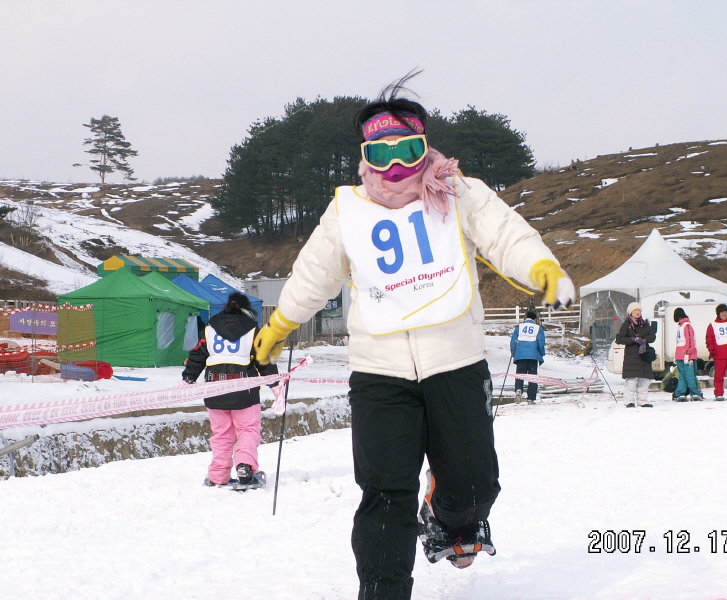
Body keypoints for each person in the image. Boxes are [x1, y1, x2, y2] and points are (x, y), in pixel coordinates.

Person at [252, 75, 575, 600]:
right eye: (382, 151)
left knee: (474, 489)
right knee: (384, 496)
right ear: (365, 156)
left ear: (425, 145)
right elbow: (313, 273)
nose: (397, 163)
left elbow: (505, 232)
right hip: (380, 374)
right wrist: (280, 324)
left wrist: (540, 266)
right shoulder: (348, 211)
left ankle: (447, 513)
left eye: (409, 148)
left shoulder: (457, 190)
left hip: (457, 363)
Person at [182, 292, 277, 486]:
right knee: (248, 430)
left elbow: (198, 355)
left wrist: (188, 378)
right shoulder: (253, 330)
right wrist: (275, 384)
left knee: (221, 435)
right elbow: (263, 359)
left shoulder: (210, 328)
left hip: (214, 389)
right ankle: (244, 466)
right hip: (244, 391)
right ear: (247, 309)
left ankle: (217, 476)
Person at [615, 302, 656, 408]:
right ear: (631, 312)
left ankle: (642, 401)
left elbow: (652, 336)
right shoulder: (626, 324)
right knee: (631, 381)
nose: (638, 312)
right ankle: (629, 401)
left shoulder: (645, 324)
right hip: (632, 357)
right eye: (635, 310)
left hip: (644, 356)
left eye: (639, 310)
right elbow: (620, 338)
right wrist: (632, 339)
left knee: (645, 380)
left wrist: (645, 340)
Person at [510, 310, 546, 403]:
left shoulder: (519, 328)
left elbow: (513, 342)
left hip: (520, 355)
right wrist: (541, 354)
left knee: (520, 374)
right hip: (533, 355)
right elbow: (540, 343)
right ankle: (531, 397)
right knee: (532, 377)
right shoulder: (538, 328)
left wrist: (514, 353)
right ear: (535, 319)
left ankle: (518, 389)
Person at [672, 307, 703, 401]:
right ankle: (683, 393)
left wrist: (688, 352)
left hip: (686, 355)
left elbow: (689, 341)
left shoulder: (686, 326)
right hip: (682, 355)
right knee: (684, 375)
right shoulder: (682, 326)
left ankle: (691, 393)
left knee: (688, 376)